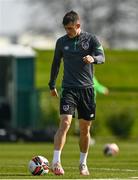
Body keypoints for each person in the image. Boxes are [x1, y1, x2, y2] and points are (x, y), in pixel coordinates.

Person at [48, 10, 105, 176]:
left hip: (87, 90)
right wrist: (52, 85)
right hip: (69, 89)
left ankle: (82, 163)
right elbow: (56, 64)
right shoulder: (61, 42)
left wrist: (93, 58)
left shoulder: (91, 39)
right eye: (65, 28)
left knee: (84, 129)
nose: (68, 31)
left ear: (78, 25)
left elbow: (102, 56)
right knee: (65, 123)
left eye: (70, 28)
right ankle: (56, 162)